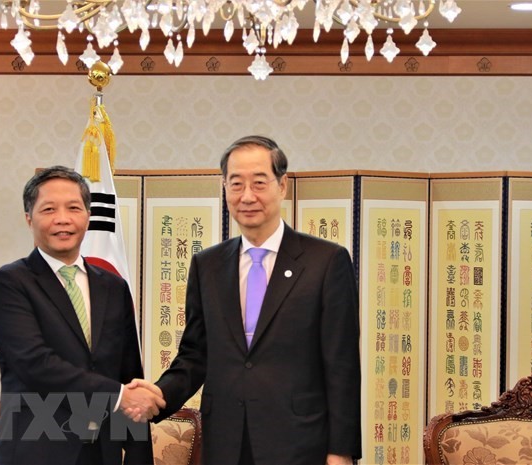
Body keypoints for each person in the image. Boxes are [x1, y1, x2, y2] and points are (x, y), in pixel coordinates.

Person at [129, 136, 362, 465]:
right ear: (224, 188)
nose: (247, 196)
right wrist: (157, 396)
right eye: (236, 184)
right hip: (226, 442)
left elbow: (342, 367)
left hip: (300, 443)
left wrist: (341, 451)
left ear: (282, 186)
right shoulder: (207, 266)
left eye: (259, 183)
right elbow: (195, 356)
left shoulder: (325, 262)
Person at [0, 166, 165, 465]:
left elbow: (128, 371)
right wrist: (120, 396)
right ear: (29, 218)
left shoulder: (113, 286)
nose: (63, 219)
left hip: (101, 452)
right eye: (49, 209)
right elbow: (35, 363)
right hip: (35, 449)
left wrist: (137, 455)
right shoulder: (10, 283)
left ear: (88, 215)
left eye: (73, 208)